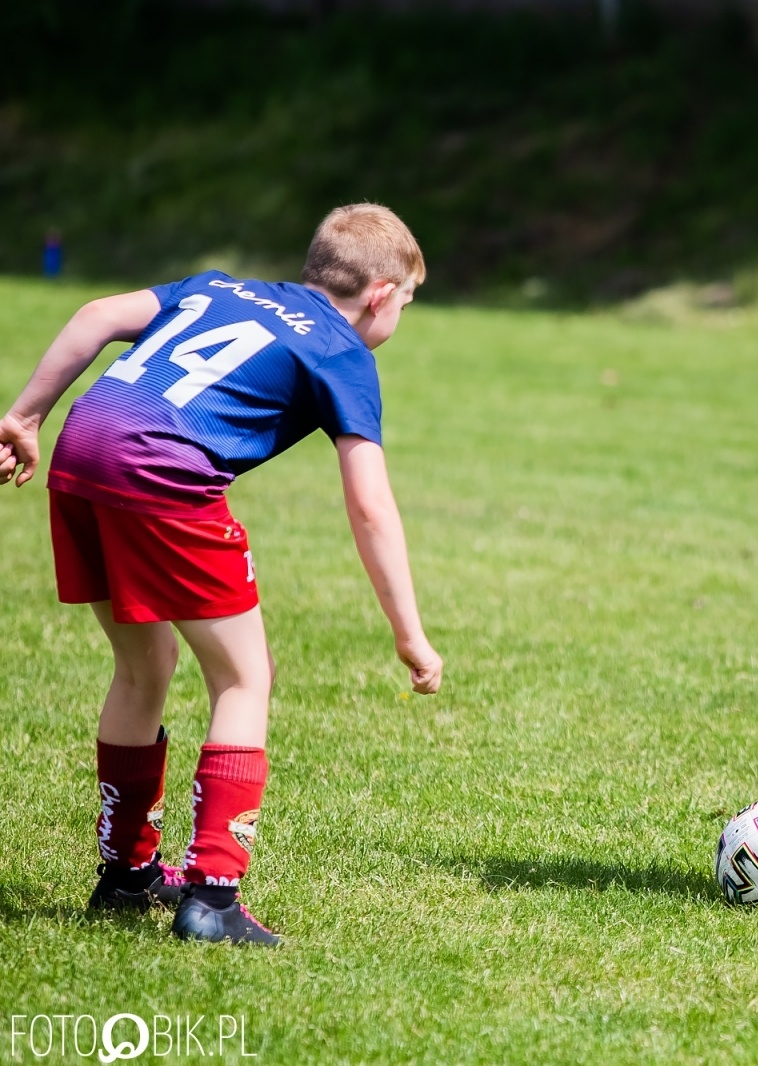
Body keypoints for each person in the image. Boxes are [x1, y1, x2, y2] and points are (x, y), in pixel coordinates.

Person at [0, 203, 444, 945]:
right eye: (406, 302)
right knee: (244, 677)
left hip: (84, 449)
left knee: (145, 667)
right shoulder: (343, 351)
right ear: (380, 295)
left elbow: (96, 314)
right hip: (162, 472)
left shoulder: (218, 289)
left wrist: (25, 416)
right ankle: (213, 897)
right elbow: (370, 505)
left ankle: (126, 873)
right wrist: (411, 635)